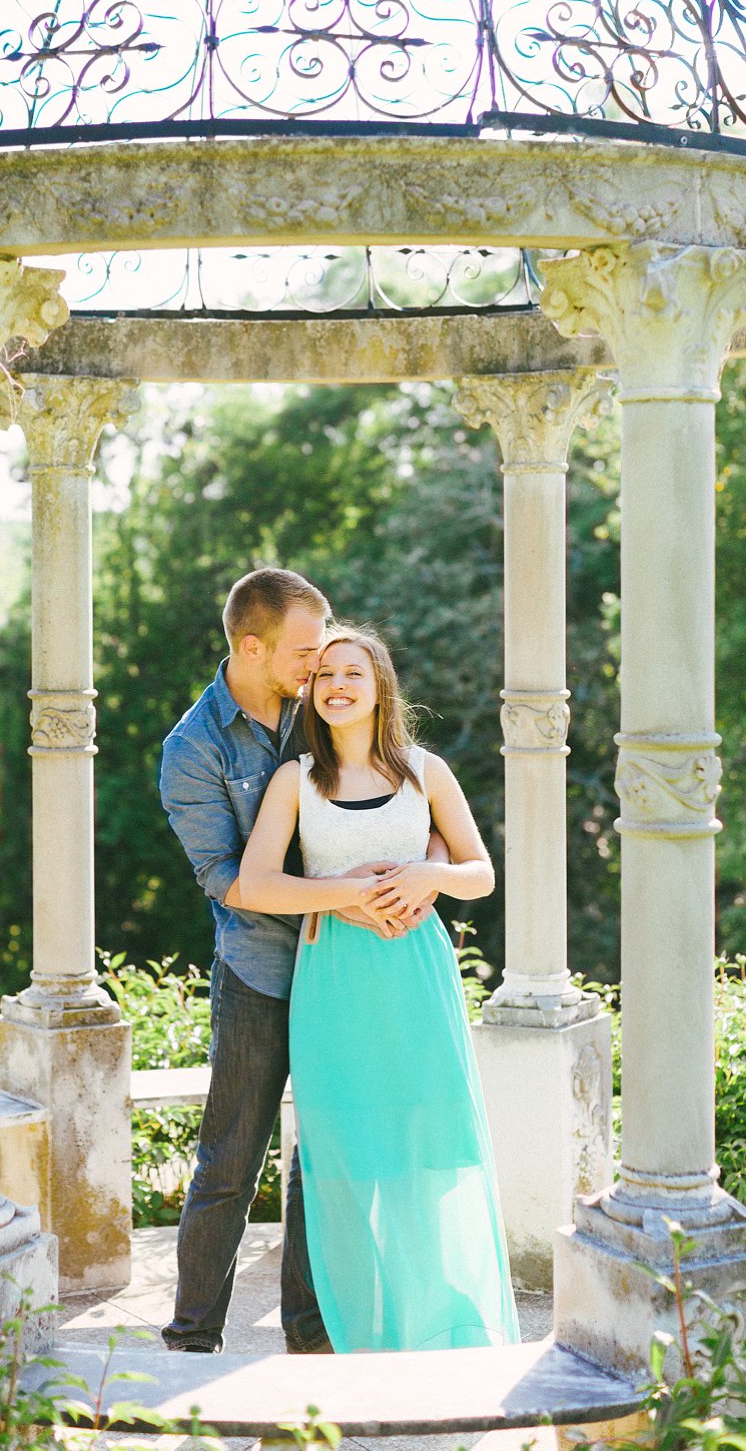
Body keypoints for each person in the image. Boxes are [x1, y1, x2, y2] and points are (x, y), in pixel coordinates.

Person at [158, 569, 442, 1355]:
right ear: (252, 648)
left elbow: (401, 789)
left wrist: (424, 870)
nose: (321, 667)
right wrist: (334, 897)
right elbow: (227, 881)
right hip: (259, 973)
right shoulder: (192, 750)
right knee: (231, 1162)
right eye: (306, 652)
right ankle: (190, 1337)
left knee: (321, 1160)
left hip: (348, 974)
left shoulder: (318, 710)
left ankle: (310, 1336)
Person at [233, 626, 519, 1352]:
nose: (336, 685)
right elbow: (254, 884)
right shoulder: (295, 779)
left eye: (351, 672)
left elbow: (479, 873)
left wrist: (428, 875)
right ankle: (357, 1328)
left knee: (426, 1146)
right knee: (345, 1153)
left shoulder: (427, 772)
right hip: (336, 983)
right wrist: (338, 894)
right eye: (324, 674)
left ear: (379, 684)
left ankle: (438, 1320)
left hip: (415, 979)